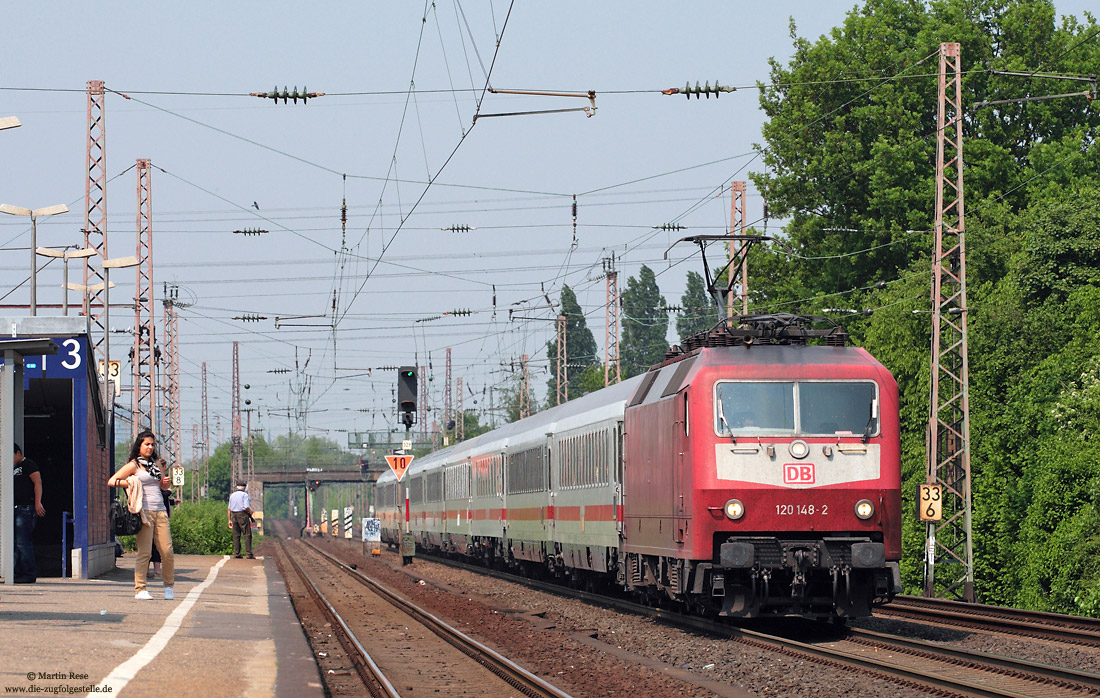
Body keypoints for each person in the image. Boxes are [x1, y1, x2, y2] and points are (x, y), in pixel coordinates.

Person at [108, 431, 175, 600]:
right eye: (147, 444)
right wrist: (131, 481)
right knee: (145, 552)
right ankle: (140, 589)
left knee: (167, 551)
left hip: (160, 511)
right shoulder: (134, 465)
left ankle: (168, 586)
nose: (150, 447)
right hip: (143, 512)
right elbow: (112, 480)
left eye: (152, 444)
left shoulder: (158, 464)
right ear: (139, 446)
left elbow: (161, 487)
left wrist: (165, 485)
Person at [12, 443, 44, 584]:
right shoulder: (10, 468)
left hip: (25, 508)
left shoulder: (28, 464)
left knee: (23, 542)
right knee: (15, 543)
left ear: (18, 453)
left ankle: (28, 573)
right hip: (13, 507)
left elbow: (37, 482)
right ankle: (17, 572)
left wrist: (38, 503)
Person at [228, 482, 254, 559]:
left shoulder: (232, 495)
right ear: (244, 488)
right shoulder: (245, 495)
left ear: (237, 487)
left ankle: (237, 553)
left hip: (233, 515)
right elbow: (246, 507)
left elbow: (229, 509)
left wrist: (229, 520)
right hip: (242, 515)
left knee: (236, 535)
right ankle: (249, 554)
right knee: (247, 534)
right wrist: (251, 512)